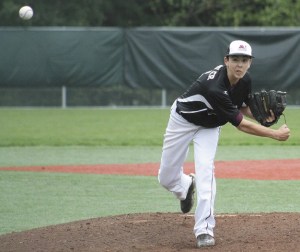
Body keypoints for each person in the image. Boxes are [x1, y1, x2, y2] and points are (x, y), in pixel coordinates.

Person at [158, 40, 290, 248]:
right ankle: (185, 185)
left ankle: (204, 230)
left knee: (206, 173)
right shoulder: (214, 87)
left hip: (210, 127)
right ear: (226, 60)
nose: (239, 64)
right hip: (183, 120)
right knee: (165, 178)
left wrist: (264, 117)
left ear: (250, 63)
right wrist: (274, 133)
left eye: (244, 60)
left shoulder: (245, 80)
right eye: (235, 59)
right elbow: (240, 124)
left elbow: (242, 108)